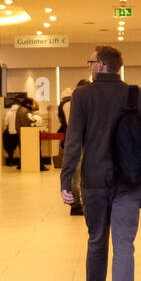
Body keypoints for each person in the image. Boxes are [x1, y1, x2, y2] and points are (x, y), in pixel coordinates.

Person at [59, 45, 141, 281]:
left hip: (94, 180)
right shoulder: (135, 94)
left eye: (91, 61)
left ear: (101, 65)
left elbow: (73, 141)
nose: (89, 66)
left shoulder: (83, 96)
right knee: (124, 244)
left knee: (97, 238)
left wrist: (66, 180)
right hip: (129, 181)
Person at [59, 80, 88, 215]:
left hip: (75, 141)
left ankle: (78, 202)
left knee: (77, 174)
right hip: (77, 141)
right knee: (75, 174)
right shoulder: (72, 104)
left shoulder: (66, 103)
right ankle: (76, 204)